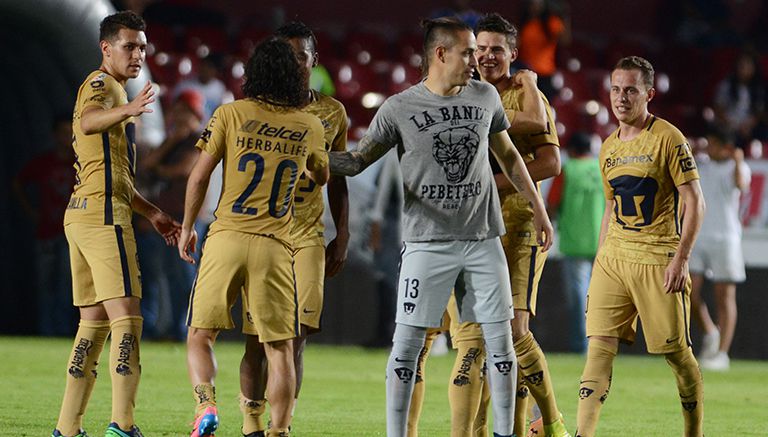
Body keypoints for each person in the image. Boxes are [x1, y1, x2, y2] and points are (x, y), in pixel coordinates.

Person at [329, 17, 554, 437]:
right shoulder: (399, 107)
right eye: (468, 52)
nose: (476, 60)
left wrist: (538, 210)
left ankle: (505, 433)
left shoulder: (486, 96)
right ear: (440, 53)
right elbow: (357, 160)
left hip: (483, 240)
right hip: (426, 244)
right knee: (407, 347)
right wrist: (316, 160)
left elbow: (510, 158)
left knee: (501, 344)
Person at [178, 37, 329, 437]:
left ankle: (206, 406)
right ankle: (278, 431)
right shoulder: (309, 124)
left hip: (226, 236)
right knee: (279, 349)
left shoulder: (230, 113)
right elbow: (322, 175)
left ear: (254, 73)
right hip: (276, 246)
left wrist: (186, 225)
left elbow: (199, 175)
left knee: (200, 335)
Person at [52, 11, 181, 437]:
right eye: (129, 45)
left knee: (92, 324)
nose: (138, 53)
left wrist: (152, 211)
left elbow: (114, 174)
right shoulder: (102, 85)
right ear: (106, 48)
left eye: (143, 46)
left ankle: (67, 428)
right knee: (127, 319)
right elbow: (88, 119)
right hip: (103, 217)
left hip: (87, 212)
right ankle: (123, 426)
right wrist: (129, 107)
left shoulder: (113, 91)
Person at [575, 56, 705, 437]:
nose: (621, 97)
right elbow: (611, 207)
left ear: (648, 93)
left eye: (630, 90)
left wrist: (681, 259)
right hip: (614, 260)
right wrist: (601, 258)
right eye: (615, 89)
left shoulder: (668, 137)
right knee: (598, 347)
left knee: (677, 356)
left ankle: (693, 431)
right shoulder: (608, 147)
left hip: (657, 260)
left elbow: (695, 201)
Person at [237, 21, 350, 436]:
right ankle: (251, 425)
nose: (294, 63)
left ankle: (281, 426)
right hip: (263, 232)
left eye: (301, 55)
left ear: (313, 60)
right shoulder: (256, 107)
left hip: (307, 234)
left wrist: (344, 233)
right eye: (287, 56)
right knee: (257, 338)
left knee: (297, 336)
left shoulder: (332, 112)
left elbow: (337, 177)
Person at [139, 89, 204, 340]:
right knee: (159, 274)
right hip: (166, 218)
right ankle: (157, 328)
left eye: (184, 112)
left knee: (184, 277)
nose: (178, 116)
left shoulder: (200, 139)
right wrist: (171, 141)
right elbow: (147, 165)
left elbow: (182, 171)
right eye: (176, 111)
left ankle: (184, 329)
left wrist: (160, 168)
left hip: (187, 218)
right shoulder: (173, 141)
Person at [689, 128, 750, 371]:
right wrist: (691, 153)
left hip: (727, 238)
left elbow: (741, 185)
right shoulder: (701, 165)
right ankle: (711, 331)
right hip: (699, 236)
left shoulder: (739, 167)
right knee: (689, 292)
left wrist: (737, 161)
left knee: (724, 296)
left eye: (714, 144)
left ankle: (722, 353)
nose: (709, 147)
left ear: (727, 147)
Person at [12, 115, 77, 337]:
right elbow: (18, 183)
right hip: (47, 232)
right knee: (46, 286)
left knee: (69, 287)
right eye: (62, 133)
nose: (66, 138)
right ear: (54, 135)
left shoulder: (81, 163)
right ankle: (47, 331)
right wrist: (31, 211)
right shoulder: (44, 162)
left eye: (70, 133)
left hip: (72, 235)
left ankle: (65, 332)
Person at [547, 132, 604, 354]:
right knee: (601, 296)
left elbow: (552, 203)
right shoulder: (602, 170)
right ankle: (602, 343)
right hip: (602, 240)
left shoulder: (567, 171)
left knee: (580, 297)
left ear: (570, 151)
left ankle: (582, 344)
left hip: (575, 241)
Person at [712, 49, 767, 149]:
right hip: (729, 125)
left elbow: (759, 113)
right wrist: (734, 125)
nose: (745, 69)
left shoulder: (758, 89)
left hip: (749, 127)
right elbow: (719, 109)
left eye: (748, 66)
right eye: (742, 66)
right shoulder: (726, 85)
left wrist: (748, 125)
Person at [518, 0, 570, 101]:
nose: (535, 5)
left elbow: (565, 40)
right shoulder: (525, 23)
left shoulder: (550, 22)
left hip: (544, 73)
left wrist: (564, 16)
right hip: (525, 73)